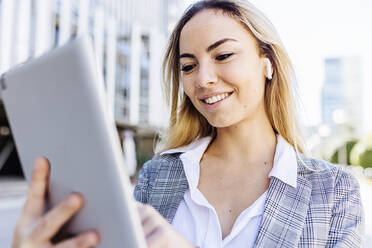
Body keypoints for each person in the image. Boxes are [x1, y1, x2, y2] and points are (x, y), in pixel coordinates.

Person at [12, 0, 364, 247]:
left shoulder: (334, 192)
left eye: (223, 55)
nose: (203, 79)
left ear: (267, 62)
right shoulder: (157, 176)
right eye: (188, 66)